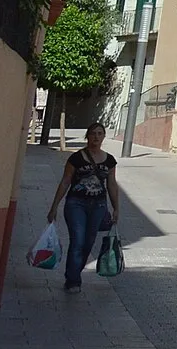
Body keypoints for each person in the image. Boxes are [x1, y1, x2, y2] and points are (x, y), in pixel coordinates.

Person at [46, 123, 121, 290]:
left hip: (99, 205)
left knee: (88, 242)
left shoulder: (109, 161)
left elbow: (112, 185)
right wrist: (54, 207)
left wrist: (116, 208)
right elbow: (65, 181)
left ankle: (75, 273)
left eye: (99, 133)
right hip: (76, 204)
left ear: (103, 137)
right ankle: (73, 280)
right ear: (87, 136)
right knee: (78, 241)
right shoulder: (76, 158)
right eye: (93, 133)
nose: (96, 137)